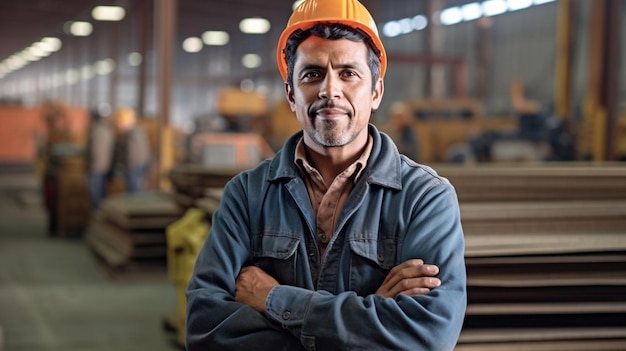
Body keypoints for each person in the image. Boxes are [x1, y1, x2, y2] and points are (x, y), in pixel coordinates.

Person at [185, 0, 467, 350]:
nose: (329, 91)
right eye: (312, 74)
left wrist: (274, 299)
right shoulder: (247, 196)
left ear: (375, 92)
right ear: (291, 94)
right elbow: (205, 328)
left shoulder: (425, 198)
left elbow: (428, 336)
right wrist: (370, 316)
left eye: (348, 74)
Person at [112, 107, 151, 193]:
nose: (119, 126)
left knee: (133, 191)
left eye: (120, 123)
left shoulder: (132, 134)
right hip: (141, 164)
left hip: (135, 166)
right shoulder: (138, 131)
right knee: (138, 189)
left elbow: (132, 153)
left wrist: (128, 167)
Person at [85, 108, 114, 209]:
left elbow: (93, 149)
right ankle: (102, 211)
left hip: (96, 165)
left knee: (95, 191)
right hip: (104, 164)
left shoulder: (96, 130)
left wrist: (90, 163)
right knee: (101, 190)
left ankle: (97, 212)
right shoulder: (107, 129)